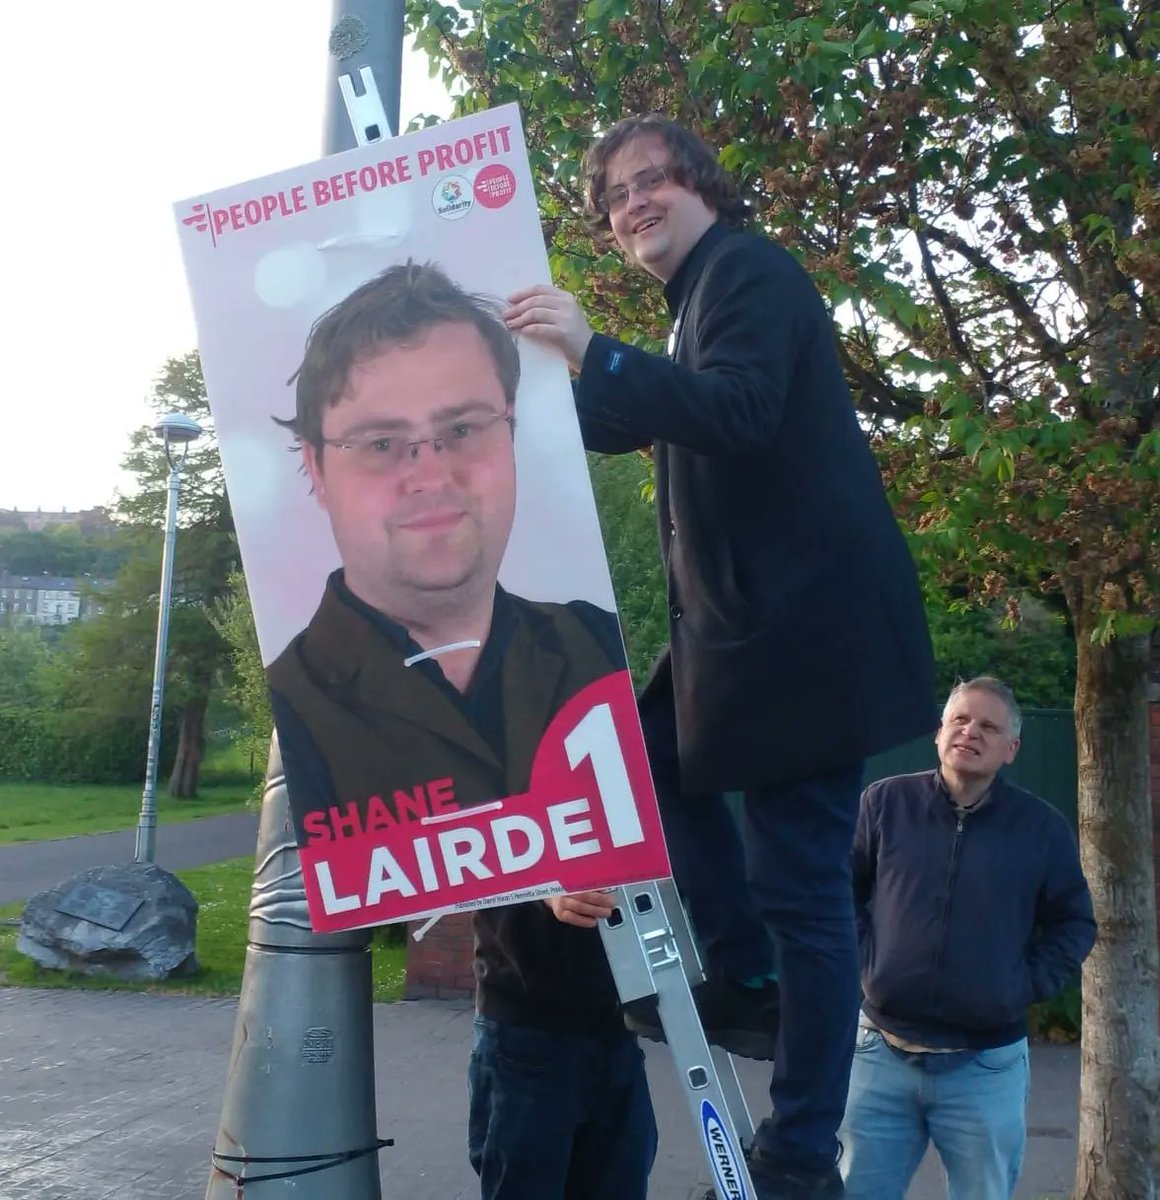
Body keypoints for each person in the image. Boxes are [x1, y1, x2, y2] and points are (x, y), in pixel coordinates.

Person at [505, 115, 938, 1200]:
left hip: (802, 631)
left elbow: (735, 411)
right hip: (748, 633)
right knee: (642, 761)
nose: (633, 203)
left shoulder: (747, 271)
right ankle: (741, 971)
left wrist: (593, 349)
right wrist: (525, 388)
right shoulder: (697, 302)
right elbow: (642, 414)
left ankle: (797, 1159)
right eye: (615, 195)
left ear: (702, 186)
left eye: (652, 181)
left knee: (805, 891)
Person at [269, 260, 657, 1200]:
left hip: (634, 1027)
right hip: (529, 1029)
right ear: (316, 470)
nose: (431, 474)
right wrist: (538, 889)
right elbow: (397, 886)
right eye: (380, 442)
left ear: (514, 438)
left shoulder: (590, 643)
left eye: (462, 429)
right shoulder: (307, 704)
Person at [841, 677, 1096, 1200]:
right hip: (880, 1056)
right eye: (959, 720)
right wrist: (867, 960)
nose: (970, 732)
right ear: (939, 733)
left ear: (1011, 749)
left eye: (988, 726)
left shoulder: (1040, 829)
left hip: (985, 1067)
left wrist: (1020, 985)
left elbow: (1075, 923)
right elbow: (840, 893)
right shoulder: (884, 804)